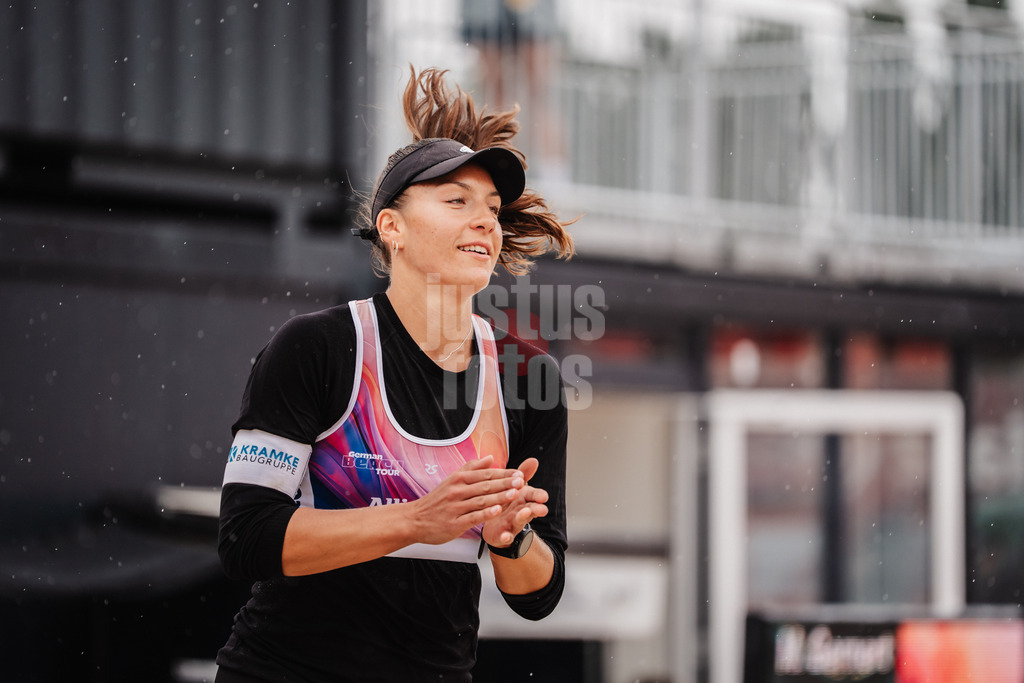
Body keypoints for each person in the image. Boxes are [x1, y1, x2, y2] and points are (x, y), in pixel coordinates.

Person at [214, 66, 575, 682]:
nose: (486, 220)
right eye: (457, 201)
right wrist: (415, 520)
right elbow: (247, 537)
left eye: (491, 207)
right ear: (393, 228)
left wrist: (512, 540)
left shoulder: (526, 375)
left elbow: (536, 595)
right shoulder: (318, 347)